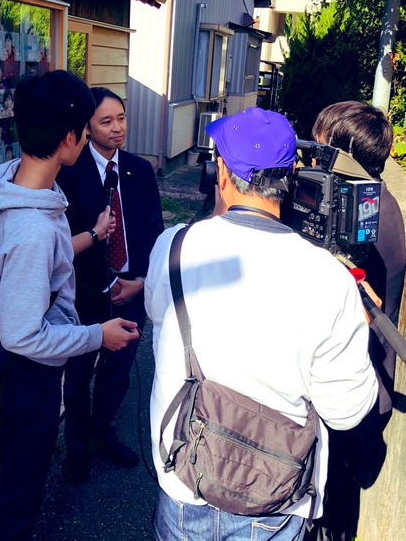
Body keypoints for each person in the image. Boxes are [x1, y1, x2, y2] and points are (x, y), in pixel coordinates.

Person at [145, 107, 379, 541]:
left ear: (222, 172)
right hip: (275, 497)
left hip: (184, 476)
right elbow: (346, 412)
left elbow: (159, 319)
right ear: (291, 176)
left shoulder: (174, 247)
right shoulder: (329, 278)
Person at [0, 70, 139, 541]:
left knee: (20, 474)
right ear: (69, 137)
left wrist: (93, 235)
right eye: (86, 129)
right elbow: (23, 335)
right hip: (30, 373)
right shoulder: (33, 229)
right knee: (21, 489)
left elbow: (45, 257)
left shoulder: (15, 182)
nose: (88, 137)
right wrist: (97, 336)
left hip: (25, 366)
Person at [303, 100, 406, 541]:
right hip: (362, 383)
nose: (312, 156)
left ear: (341, 153)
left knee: (332, 502)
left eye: (321, 145)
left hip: (351, 389)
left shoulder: (363, 215)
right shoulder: (373, 199)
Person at [57, 87, 164, 483]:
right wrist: (103, 281)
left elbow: (154, 230)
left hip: (130, 291)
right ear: (87, 127)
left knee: (118, 372)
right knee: (78, 375)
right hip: (85, 296)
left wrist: (140, 281)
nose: (117, 128)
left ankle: (103, 432)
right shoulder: (68, 172)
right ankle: (76, 446)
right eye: (106, 121)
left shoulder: (139, 169)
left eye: (121, 118)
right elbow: (63, 240)